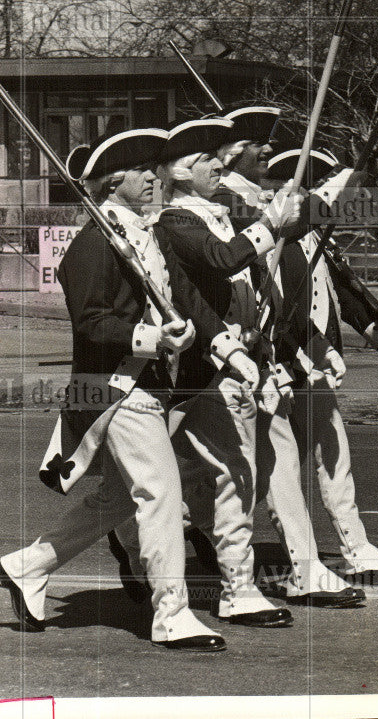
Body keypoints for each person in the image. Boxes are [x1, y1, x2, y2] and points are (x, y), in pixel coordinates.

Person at [0, 127, 255, 651]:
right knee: (160, 492)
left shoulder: (149, 234)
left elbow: (187, 300)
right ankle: (171, 614)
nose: (154, 178)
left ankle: (28, 565)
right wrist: (151, 336)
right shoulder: (93, 243)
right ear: (114, 183)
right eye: (141, 172)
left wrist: (230, 349)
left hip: (150, 387)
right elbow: (90, 324)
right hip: (113, 389)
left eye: (154, 170)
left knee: (116, 498)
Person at [112, 117, 302, 627]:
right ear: (178, 173)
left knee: (196, 473)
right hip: (201, 371)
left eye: (221, 155)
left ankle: (122, 534)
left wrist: (322, 197)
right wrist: (268, 227)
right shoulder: (177, 220)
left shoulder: (220, 213)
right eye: (205, 160)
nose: (220, 164)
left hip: (235, 361)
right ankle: (236, 589)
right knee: (233, 475)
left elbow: (257, 275)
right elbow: (220, 262)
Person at [216, 106, 365, 607]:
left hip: (261, 354)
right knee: (172, 479)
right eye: (259, 144)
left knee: (266, 461)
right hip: (210, 355)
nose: (266, 153)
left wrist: (309, 346)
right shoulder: (225, 202)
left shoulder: (253, 198)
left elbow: (287, 279)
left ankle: (303, 568)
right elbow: (245, 260)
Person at [265, 147, 378, 581]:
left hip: (315, 366)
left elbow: (339, 290)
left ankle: (354, 544)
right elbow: (279, 306)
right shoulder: (281, 241)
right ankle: (170, 526)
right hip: (281, 365)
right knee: (254, 469)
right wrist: (310, 350)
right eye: (332, 188)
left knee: (332, 453)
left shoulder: (317, 238)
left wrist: (371, 328)